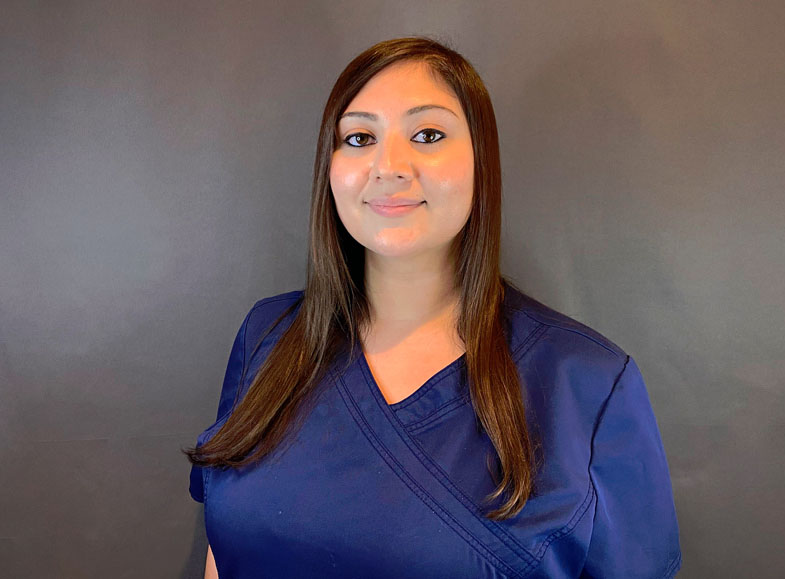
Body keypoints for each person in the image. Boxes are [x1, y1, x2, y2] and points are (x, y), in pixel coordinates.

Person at [184, 36, 681, 579]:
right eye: (359, 137)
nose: (389, 165)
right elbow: (222, 548)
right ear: (330, 169)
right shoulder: (269, 335)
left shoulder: (586, 382)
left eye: (427, 134)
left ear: (480, 162)